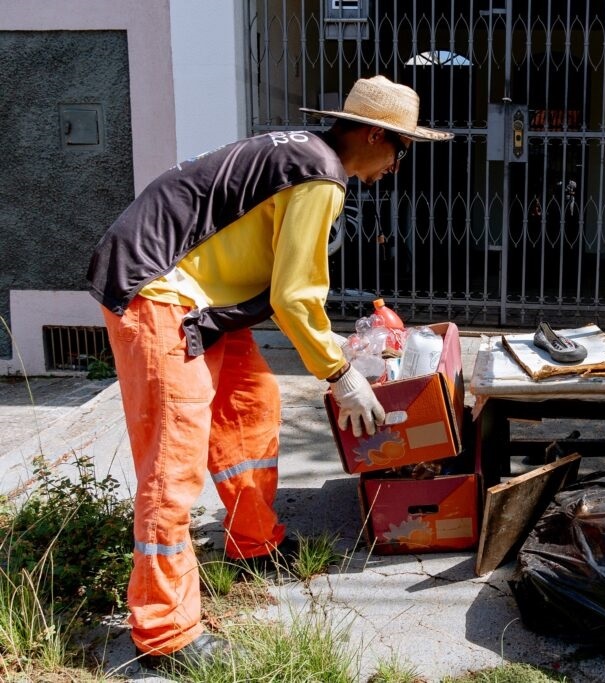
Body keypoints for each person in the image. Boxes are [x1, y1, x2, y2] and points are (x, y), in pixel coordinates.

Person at [86, 75, 452, 668]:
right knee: (173, 466)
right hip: (158, 296)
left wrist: (329, 345)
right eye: (400, 148)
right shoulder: (320, 175)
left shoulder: (304, 154)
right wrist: (340, 374)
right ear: (368, 134)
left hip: (198, 302)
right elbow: (294, 294)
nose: (399, 163)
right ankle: (165, 633)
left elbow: (278, 274)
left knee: (251, 410)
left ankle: (253, 543)